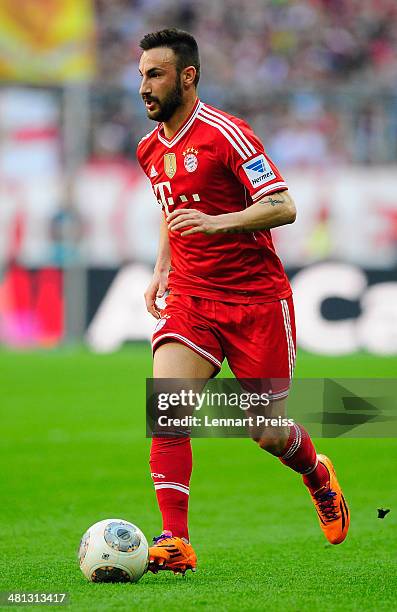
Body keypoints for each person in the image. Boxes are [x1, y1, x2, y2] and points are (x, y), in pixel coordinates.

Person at [136, 28, 349, 575]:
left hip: (256, 302)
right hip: (193, 298)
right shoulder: (149, 149)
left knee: (264, 429)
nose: (144, 86)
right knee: (167, 405)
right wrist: (163, 267)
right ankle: (175, 540)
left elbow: (283, 204)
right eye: (140, 75)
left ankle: (317, 475)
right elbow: (171, 204)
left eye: (155, 74)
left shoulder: (226, 134)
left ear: (188, 76)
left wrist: (216, 223)